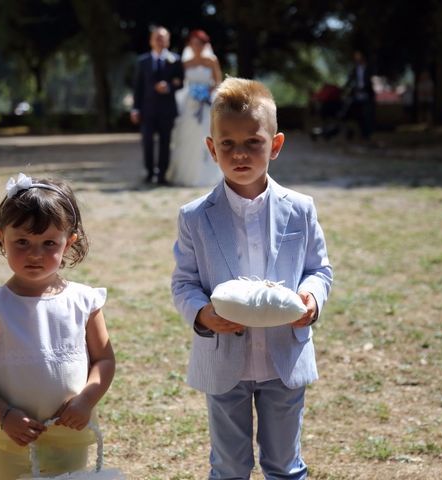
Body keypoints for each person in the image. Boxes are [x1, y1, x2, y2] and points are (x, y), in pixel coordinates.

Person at [171, 77, 333, 478]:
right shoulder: (195, 216)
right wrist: (202, 314)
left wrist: (311, 299)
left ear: (275, 145)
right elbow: (184, 282)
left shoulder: (300, 209)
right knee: (228, 466)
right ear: (212, 149)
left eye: (253, 142)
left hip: (284, 359)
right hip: (225, 363)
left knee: (285, 464)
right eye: (227, 144)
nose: (239, 153)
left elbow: (319, 269)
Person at [0, 173, 116, 480]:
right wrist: (4, 416)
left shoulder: (85, 302)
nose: (35, 254)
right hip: (12, 436)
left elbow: (104, 359)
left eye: (48, 243)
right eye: (22, 242)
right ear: (0, 237)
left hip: (68, 431)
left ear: (68, 242)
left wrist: (86, 400)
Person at [166, 29, 223, 187]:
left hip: (206, 103)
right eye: (193, 44)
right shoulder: (186, 63)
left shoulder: (211, 61)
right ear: (190, 45)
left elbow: (217, 82)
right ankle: (187, 173)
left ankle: (206, 174)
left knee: (206, 136)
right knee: (187, 137)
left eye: (199, 44)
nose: (196, 47)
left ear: (205, 45)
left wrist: (206, 93)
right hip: (189, 104)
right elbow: (181, 81)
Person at [131, 26, 185, 185]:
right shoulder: (142, 61)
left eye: (163, 38)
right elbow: (137, 87)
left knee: (165, 143)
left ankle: (162, 175)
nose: (160, 41)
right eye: (157, 38)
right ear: (151, 40)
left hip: (167, 110)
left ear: (168, 41)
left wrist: (168, 86)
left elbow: (181, 82)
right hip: (147, 110)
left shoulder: (175, 59)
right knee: (147, 142)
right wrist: (135, 108)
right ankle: (149, 172)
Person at [344, 49, 376, 140]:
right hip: (357, 95)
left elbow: (371, 81)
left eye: (358, 56)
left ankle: (367, 135)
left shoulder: (369, 68)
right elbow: (350, 80)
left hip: (367, 95)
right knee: (358, 115)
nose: (357, 58)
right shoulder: (355, 69)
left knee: (368, 115)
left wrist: (364, 88)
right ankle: (361, 134)